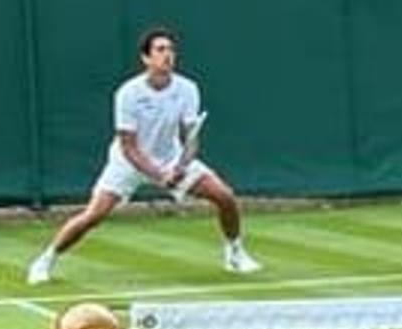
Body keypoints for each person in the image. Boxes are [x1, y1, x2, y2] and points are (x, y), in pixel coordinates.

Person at [27, 26, 261, 284]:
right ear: (146, 58)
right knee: (93, 215)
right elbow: (129, 146)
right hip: (128, 163)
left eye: (171, 50)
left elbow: (190, 139)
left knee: (224, 196)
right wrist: (160, 176)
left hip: (170, 157)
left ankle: (235, 253)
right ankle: (46, 260)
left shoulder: (188, 89)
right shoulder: (128, 93)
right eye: (160, 50)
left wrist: (181, 167)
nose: (168, 55)